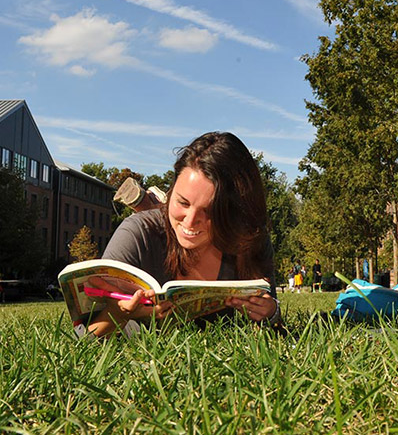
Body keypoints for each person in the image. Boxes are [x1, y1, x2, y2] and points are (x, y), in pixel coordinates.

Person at [93, 132, 281, 336]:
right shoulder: (138, 234)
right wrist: (119, 313)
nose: (190, 221)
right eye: (182, 202)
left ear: (235, 213)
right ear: (171, 190)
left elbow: (272, 327)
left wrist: (271, 312)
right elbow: (86, 335)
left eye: (209, 212)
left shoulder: (249, 240)